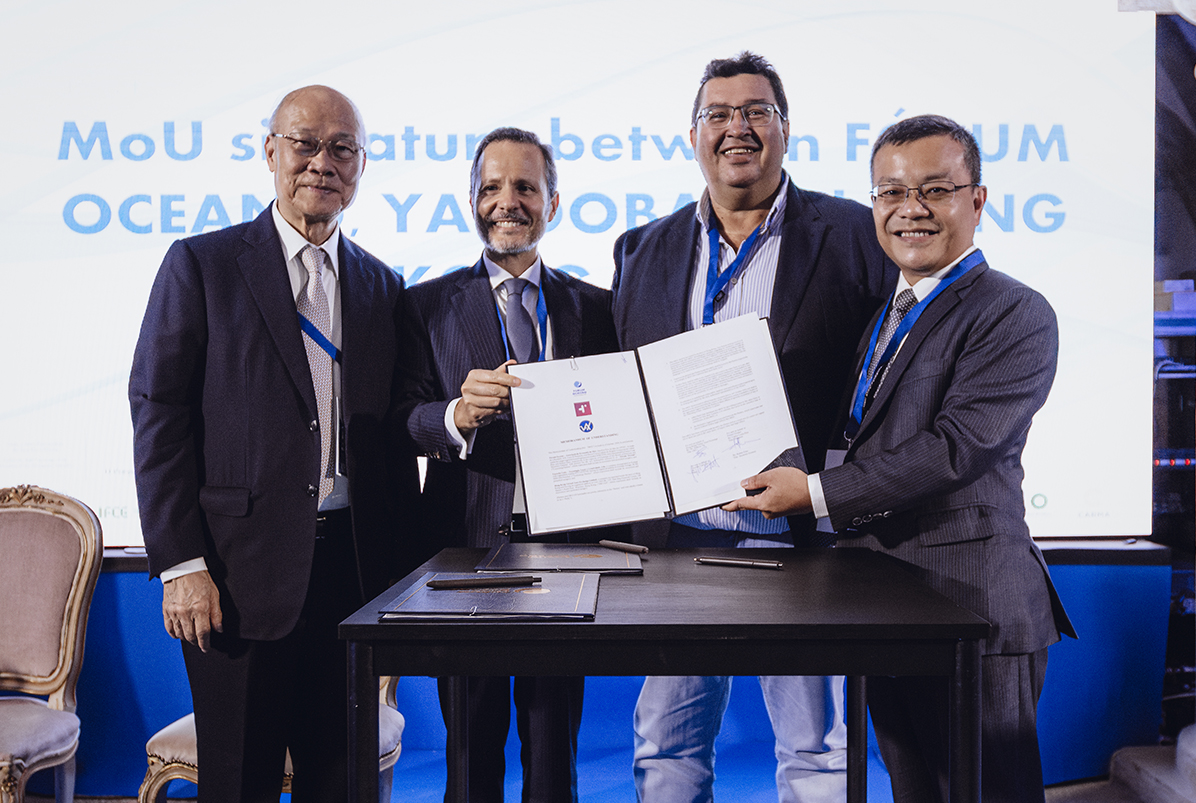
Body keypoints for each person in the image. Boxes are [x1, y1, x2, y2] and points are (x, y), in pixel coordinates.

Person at [726, 113, 1076, 803]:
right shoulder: (884, 313)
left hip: (974, 603)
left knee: (988, 792)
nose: (910, 209)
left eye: (934, 189)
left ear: (976, 201)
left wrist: (815, 492)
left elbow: (954, 448)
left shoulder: (1014, 313)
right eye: (890, 193)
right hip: (891, 603)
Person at [611, 52, 894, 803]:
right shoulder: (643, 248)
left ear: (785, 129)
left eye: (755, 111)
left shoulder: (857, 235)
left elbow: (884, 384)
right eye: (719, 113)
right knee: (665, 746)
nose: (737, 127)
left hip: (804, 546)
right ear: (693, 135)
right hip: (681, 546)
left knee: (819, 753)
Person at [129, 85, 419, 803]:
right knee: (240, 783)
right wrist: (181, 563)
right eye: (305, 143)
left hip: (350, 579)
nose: (323, 161)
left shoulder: (383, 285)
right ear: (270, 152)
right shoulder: (202, 265)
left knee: (340, 782)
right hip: (233, 580)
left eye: (342, 148)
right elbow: (157, 411)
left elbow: (390, 438)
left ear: (360, 166)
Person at [399, 127, 619, 803]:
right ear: (471, 200)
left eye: (525, 186)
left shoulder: (597, 307)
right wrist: (455, 417)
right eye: (491, 187)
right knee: (470, 754)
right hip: (466, 558)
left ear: (552, 202)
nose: (507, 201)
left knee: (555, 757)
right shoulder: (424, 303)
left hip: (570, 560)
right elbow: (405, 416)